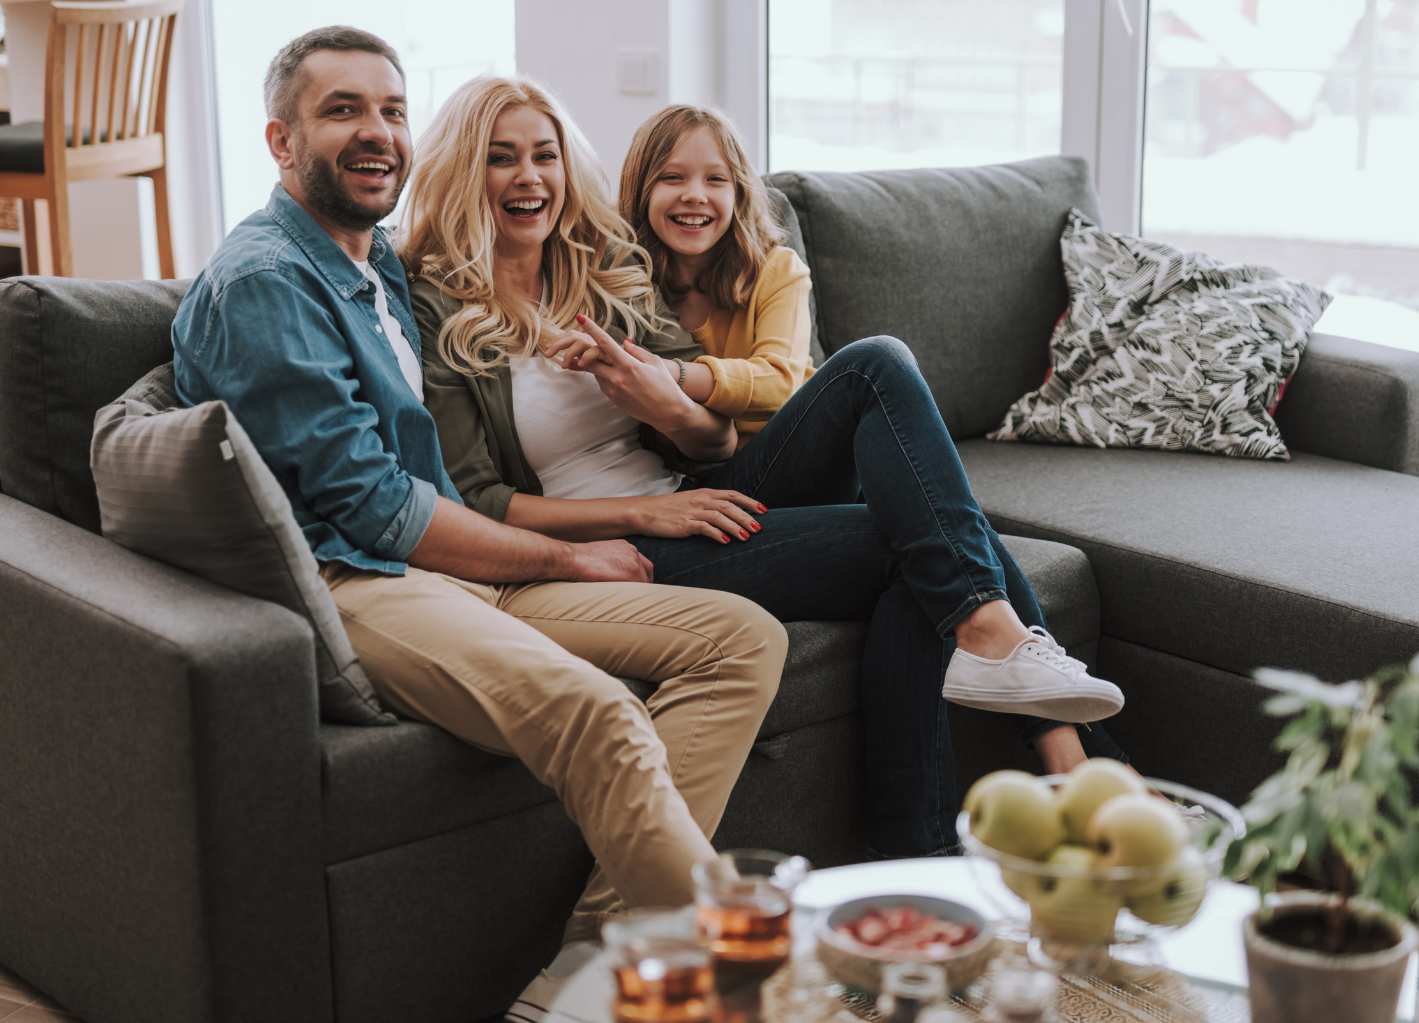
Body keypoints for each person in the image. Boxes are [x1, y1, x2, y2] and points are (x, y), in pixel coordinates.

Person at [170, 28, 788, 1023]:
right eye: (342, 111)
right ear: (281, 141)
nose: (376, 132)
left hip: (455, 573)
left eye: (391, 110)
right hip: (358, 582)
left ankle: (587, 971)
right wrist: (565, 552)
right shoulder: (268, 282)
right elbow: (375, 508)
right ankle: (766, 990)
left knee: (741, 640)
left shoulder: (367, 270)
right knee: (600, 715)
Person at [401, 83, 1131, 862]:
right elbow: (477, 501)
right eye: (500, 159)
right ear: (461, 172)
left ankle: (928, 840)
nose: (530, 178)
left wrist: (657, 394)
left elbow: (711, 443)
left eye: (544, 156)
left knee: (880, 382)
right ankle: (1040, 778)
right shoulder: (436, 304)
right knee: (928, 543)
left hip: (694, 498)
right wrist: (644, 517)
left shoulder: (599, 264)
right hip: (616, 548)